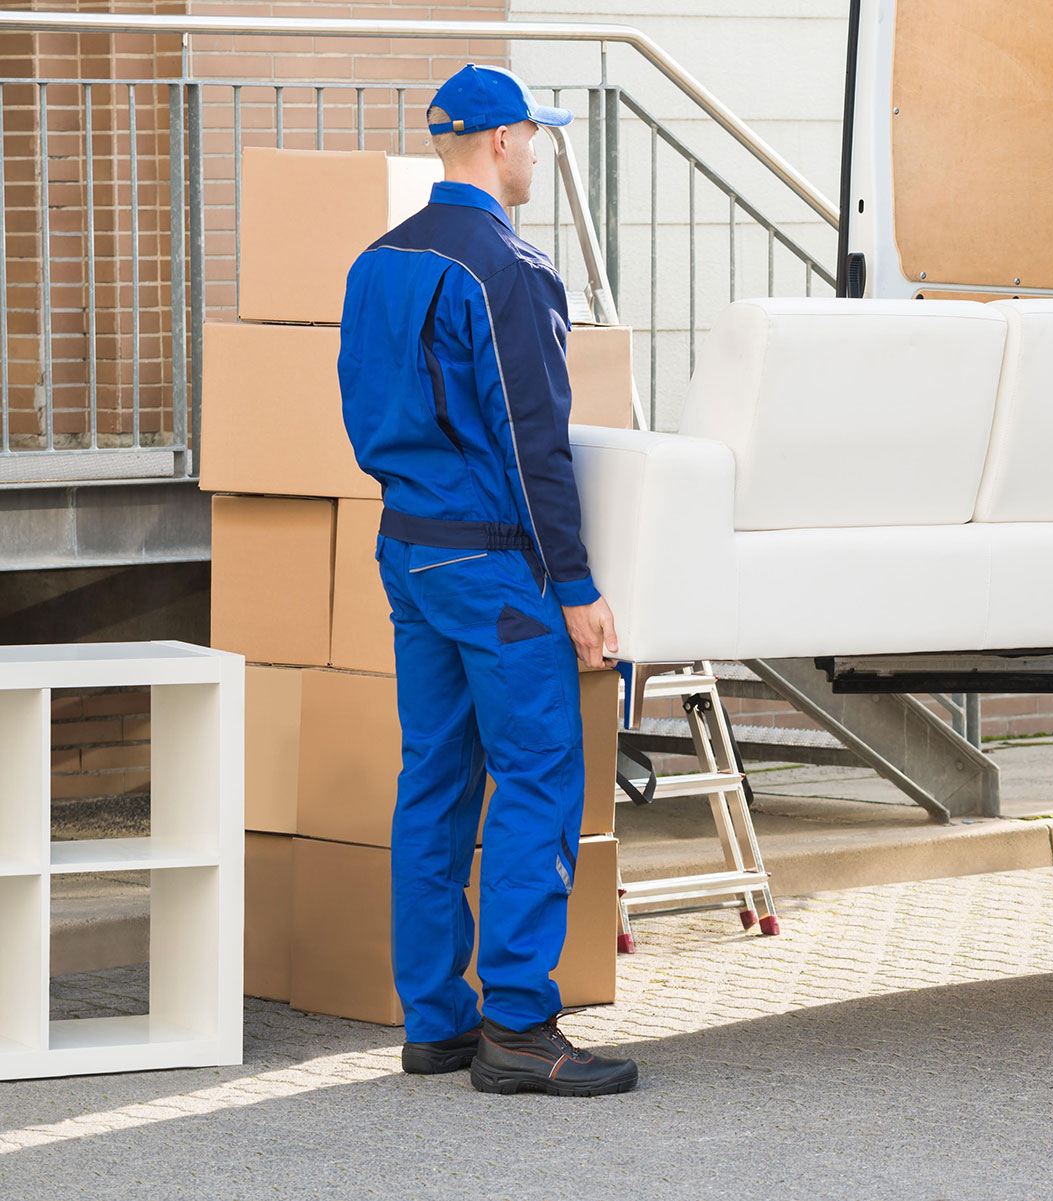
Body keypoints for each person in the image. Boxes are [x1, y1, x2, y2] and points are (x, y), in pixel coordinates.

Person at [338, 63, 637, 1096]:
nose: (542, 153)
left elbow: (362, 412)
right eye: (538, 136)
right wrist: (578, 586)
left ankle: (436, 1020)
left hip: (408, 546)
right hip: (495, 563)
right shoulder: (504, 265)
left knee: (434, 777)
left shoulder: (375, 263)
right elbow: (534, 442)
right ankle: (517, 1022)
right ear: (504, 141)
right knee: (541, 774)